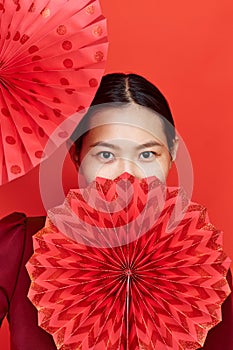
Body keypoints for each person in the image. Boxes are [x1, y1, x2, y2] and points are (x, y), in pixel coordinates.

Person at [0, 73, 232, 350]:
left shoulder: (201, 264)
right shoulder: (20, 245)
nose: (126, 174)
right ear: (77, 156)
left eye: (147, 155)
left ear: (172, 154)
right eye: (105, 155)